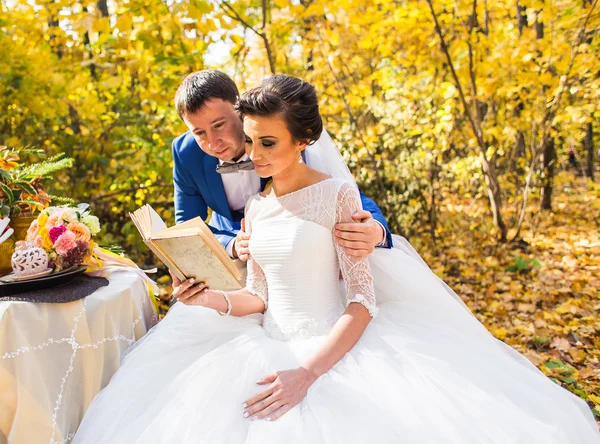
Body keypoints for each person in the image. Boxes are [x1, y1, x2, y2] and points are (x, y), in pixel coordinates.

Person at [73, 75, 600, 443]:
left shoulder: (322, 181)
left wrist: (372, 231)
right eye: (199, 132)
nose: (230, 148)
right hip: (264, 307)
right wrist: (205, 294)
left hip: (329, 332)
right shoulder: (249, 196)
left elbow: (358, 273)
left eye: (229, 129)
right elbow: (251, 290)